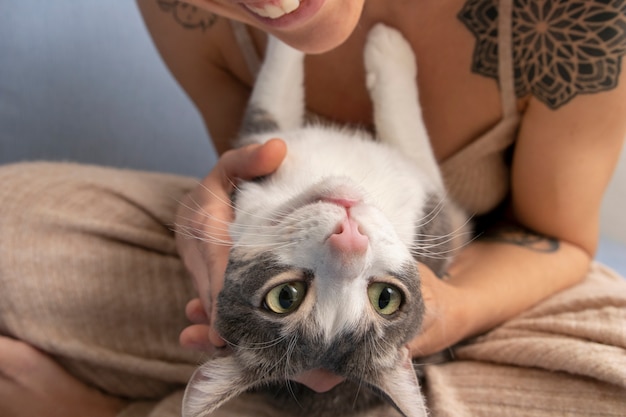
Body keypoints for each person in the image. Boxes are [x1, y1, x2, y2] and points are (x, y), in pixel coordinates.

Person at [1, 0, 625, 415]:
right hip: (284, 318)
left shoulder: (580, 17)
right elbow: (257, 160)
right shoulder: (181, 9)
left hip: (491, 289)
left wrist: (453, 310)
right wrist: (208, 210)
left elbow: (560, 240)